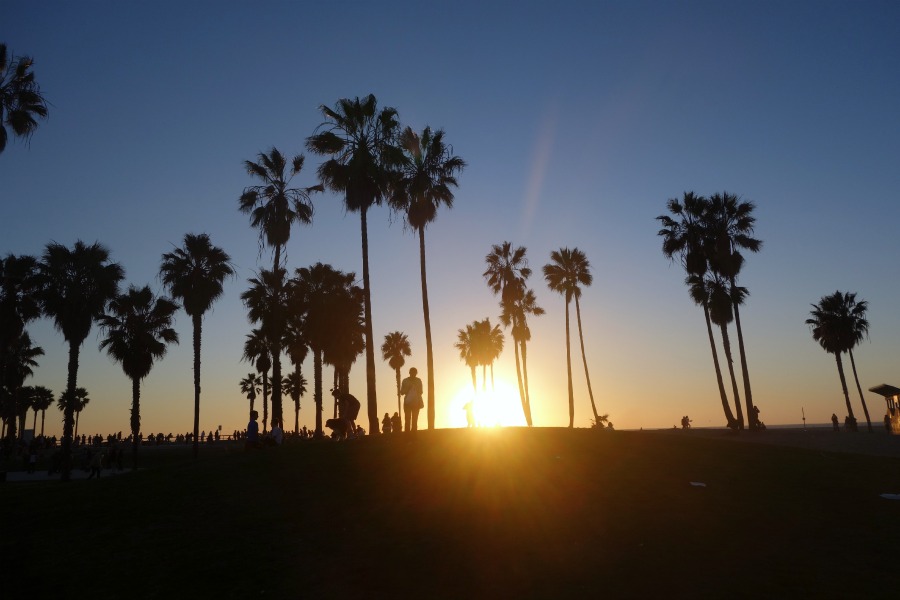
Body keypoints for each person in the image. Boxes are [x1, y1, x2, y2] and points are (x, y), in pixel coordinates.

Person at [400, 367, 424, 432]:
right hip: (410, 403)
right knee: (409, 420)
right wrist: (408, 389)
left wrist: (414, 389)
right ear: (410, 373)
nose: (413, 374)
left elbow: (421, 391)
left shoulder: (417, 381)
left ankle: (411, 436)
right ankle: (410, 436)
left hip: (413, 402)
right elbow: (402, 392)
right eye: (413, 373)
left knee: (413, 420)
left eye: (414, 373)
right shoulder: (407, 381)